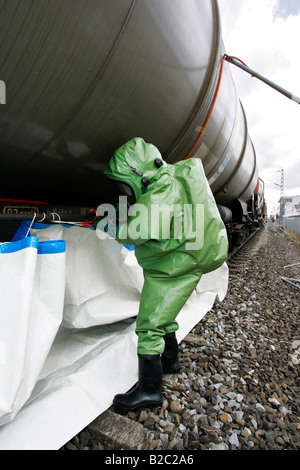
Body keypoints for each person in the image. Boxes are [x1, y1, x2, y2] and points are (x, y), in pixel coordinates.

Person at [95, 137, 228, 410]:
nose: (123, 190)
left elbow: (137, 231)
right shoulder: (168, 182)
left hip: (171, 269)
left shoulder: (159, 192)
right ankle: (170, 362)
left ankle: (150, 392)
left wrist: (109, 227)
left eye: (124, 183)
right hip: (177, 262)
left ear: (137, 174)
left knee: (149, 324)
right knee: (164, 317)